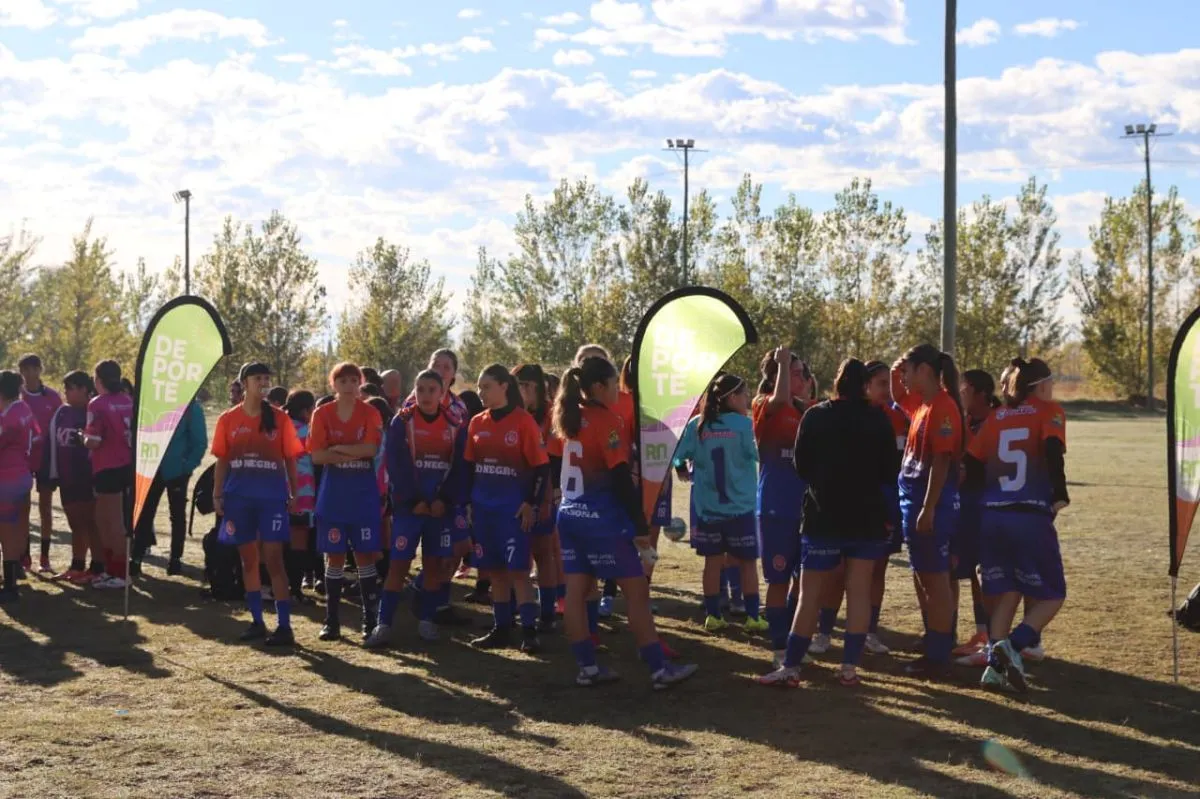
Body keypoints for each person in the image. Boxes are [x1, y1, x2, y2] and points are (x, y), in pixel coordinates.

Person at [555, 356, 698, 689]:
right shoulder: (608, 421)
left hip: (570, 516)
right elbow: (620, 479)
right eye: (611, 386)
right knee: (636, 593)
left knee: (575, 593)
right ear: (598, 387)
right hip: (602, 520)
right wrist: (639, 526)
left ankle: (587, 668)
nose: (617, 392)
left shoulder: (567, 415)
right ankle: (659, 670)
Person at [758, 359, 898, 687]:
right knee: (859, 592)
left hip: (823, 517)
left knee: (810, 595)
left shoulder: (816, 415)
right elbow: (890, 471)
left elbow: (801, 465)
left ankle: (791, 666)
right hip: (867, 518)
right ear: (865, 385)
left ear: (837, 382)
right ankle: (848, 668)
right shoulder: (878, 418)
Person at [965, 358, 1068, 693]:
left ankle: (995, 670)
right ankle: (1012, 646)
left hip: (992, 515)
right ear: (1040, 386)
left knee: (1008, 591)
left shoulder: (996, 417)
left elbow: (972, 462)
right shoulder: (1049, 410)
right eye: (1050, 382)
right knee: (1053, 594)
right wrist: (1060, 493)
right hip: (1028, 513)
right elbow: (1052, 448)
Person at [371, 369, 468, 646]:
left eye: (431, 390)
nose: (425, 395)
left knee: (434, 566)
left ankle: (427, 621)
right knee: (398, 565)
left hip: (439, 510)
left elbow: (460, 468)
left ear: (442, 393)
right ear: (414, 391)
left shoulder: (455, 424)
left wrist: (444, 500)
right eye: (420, 389)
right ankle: (383, 624)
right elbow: (396, 464)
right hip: (410, 509)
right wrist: (414, 501)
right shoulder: (402, 422)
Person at [212, 362, 303, 645]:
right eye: (257, 378)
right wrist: (217, 494)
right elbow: (222, 459)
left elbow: (290, 458)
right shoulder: (228, 419)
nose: (263, 383)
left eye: (266, 378)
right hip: (239, 498)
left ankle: (284, 626)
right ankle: (257, 622)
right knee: (248, 560)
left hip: (272, 498)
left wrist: (294, 492)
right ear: (244, 383)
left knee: (274, 559)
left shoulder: (280, 419)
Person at [673, 373, 767, 634]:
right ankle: (752, 617)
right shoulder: (745, 426)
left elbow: (678, 456)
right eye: (744, 394)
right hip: (740, 509)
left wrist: (681, 467)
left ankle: (713, 616)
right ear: (732, 398)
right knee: (747, 563)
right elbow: (759, 455)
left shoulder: (698, 424)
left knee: (712, 564)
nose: (747, 399)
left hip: (708, 509)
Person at [891, 345, 965, 678]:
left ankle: (939, 655)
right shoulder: (923, 404)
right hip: (915, 502)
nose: (903, 377)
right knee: (925, 577)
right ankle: (935, 641)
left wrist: (928, 507)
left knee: (935, 580)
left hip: (929, 505)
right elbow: (898, 395)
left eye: (907, 371)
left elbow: (941, 460)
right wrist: (897, 369)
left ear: (924, 370)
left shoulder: (943, 407)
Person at [465, 364, 550, 653]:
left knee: (518, 572)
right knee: (495, 572)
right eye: (479, 387)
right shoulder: (476, 423)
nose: (481, 392)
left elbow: (541, 468)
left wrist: (530, 503)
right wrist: (468, 503)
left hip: (512, 512)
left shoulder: (523, 422)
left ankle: (529, 631)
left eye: (486, 387)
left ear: (504, 386)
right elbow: (469, 466)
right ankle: (501, 628)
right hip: (483, 510)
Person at [309, 362, 385, 642]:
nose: (349, 385)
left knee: (365, 555)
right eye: (343, 380)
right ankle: (331, 621)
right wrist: (353, 452)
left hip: (362, 494)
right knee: (335, 557)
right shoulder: (322, 413)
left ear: (360, 383)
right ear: (334, 384)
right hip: (334, 495)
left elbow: (371, 449)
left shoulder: (370, 412)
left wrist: (338, 448)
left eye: (354, 380)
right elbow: (317, 455)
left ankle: (370, 619)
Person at [752, 347, 814, 663]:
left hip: (806, 509)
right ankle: (779, 647)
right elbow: (778, 400)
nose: (802, 378)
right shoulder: (764, 404)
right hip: (776, 507)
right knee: (778, 580)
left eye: (802, 373)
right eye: (796, 373)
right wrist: (783, 364)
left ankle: (792, 641)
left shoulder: (807, 411)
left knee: (804, 580)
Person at [952, 369, 1001, 666]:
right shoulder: (965, 420)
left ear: (981, 393)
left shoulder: (999, 420)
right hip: (967, 505)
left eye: (965, 389)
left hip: (990, 504)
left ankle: (997, 637)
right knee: (971, 571)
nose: (961, 394)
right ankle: (982, 633)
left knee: (990, 572)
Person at [514, 363, 564, 631]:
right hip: (514, 490)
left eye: (522, 386)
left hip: (544, 490)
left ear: (533, 387)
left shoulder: (552, 415)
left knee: (543, 552)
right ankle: (517, 608)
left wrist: (549, 494)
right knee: (516, 554)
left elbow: (554, 458)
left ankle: (547, 613)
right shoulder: (512, 413)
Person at [132, 397, 206, 576]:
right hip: (151, 468)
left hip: (177, 472)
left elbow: (200, 442)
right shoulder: (154, 402)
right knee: (144, 513)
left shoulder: (191, 408)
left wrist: (186, 466)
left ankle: (175, 559)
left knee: (177, 515)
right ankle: (136, 557)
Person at [864, 360, 909, 655]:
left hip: (888, 499)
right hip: (857, 499)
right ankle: (826, 630)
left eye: (889, 383)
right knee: (842, 569)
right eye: (882, 383)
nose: (888, 390)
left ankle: (870, 630)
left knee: (878, 567)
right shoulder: (853, 414)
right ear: (865, 384)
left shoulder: (897, 417)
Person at [82, 360, 134, 590]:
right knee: (103, 519)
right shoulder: (128, 400)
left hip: (108, 466)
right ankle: (110, 570)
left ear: (98, 379)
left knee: (112, 522)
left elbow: (93, 441)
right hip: (126, 464)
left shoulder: (97, 403)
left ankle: (121, 573)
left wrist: (81, 437)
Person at [46, 371, 99, 583]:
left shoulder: (94, 410)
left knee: (92, 523)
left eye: (70, 388)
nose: (66, 392)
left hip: (88, 476)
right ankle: (77, 565)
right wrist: (52, 473)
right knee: (75, 523)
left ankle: (98, 566)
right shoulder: (62, 412)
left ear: (84, 389)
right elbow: (52, 442)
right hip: (66, 477)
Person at [19, 354, 62, 574]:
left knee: (45, 506)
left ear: (40, 370)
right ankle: (24, 555)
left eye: (33, 369)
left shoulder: (53, 397)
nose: (30, 374)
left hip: (46, 458)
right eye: (25, 370)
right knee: (23, 508)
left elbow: (61, 425)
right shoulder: (16, 396)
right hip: (23, 459)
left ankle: (44, 557)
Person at [0, 370, 36, 602]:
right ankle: (16, 572)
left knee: (7, 531)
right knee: (16, 527)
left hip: (7, 477)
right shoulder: (23, 408)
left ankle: (11, 585)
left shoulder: (8, 416)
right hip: (22, 473)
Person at [284, 390, 317, 602]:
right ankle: (295, 590)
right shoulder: (307, 432)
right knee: (299, 541)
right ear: (306, 411)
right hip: (303, 493)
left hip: (280, 491)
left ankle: (278, 585)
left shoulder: (280, 428)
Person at [402, 350, 468, 425]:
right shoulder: (411, 401)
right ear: (427, 369)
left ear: (453, 374)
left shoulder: (458, 407)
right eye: (436, 365)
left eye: (446, 367)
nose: (440, 371)